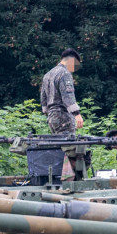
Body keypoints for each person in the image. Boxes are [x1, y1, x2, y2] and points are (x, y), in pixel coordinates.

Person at [40, 48, 85, 180]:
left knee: (58, 148)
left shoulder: (48, 74)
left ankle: (56, 177)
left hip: (52, 117)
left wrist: (47, 113)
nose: (75, 68)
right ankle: (71, 180)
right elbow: (68, 96)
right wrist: (77, 114)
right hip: (63, 115)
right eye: (75, 64)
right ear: (71, 60)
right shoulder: (64, 74)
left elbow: (43, 98)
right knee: (70, 149)